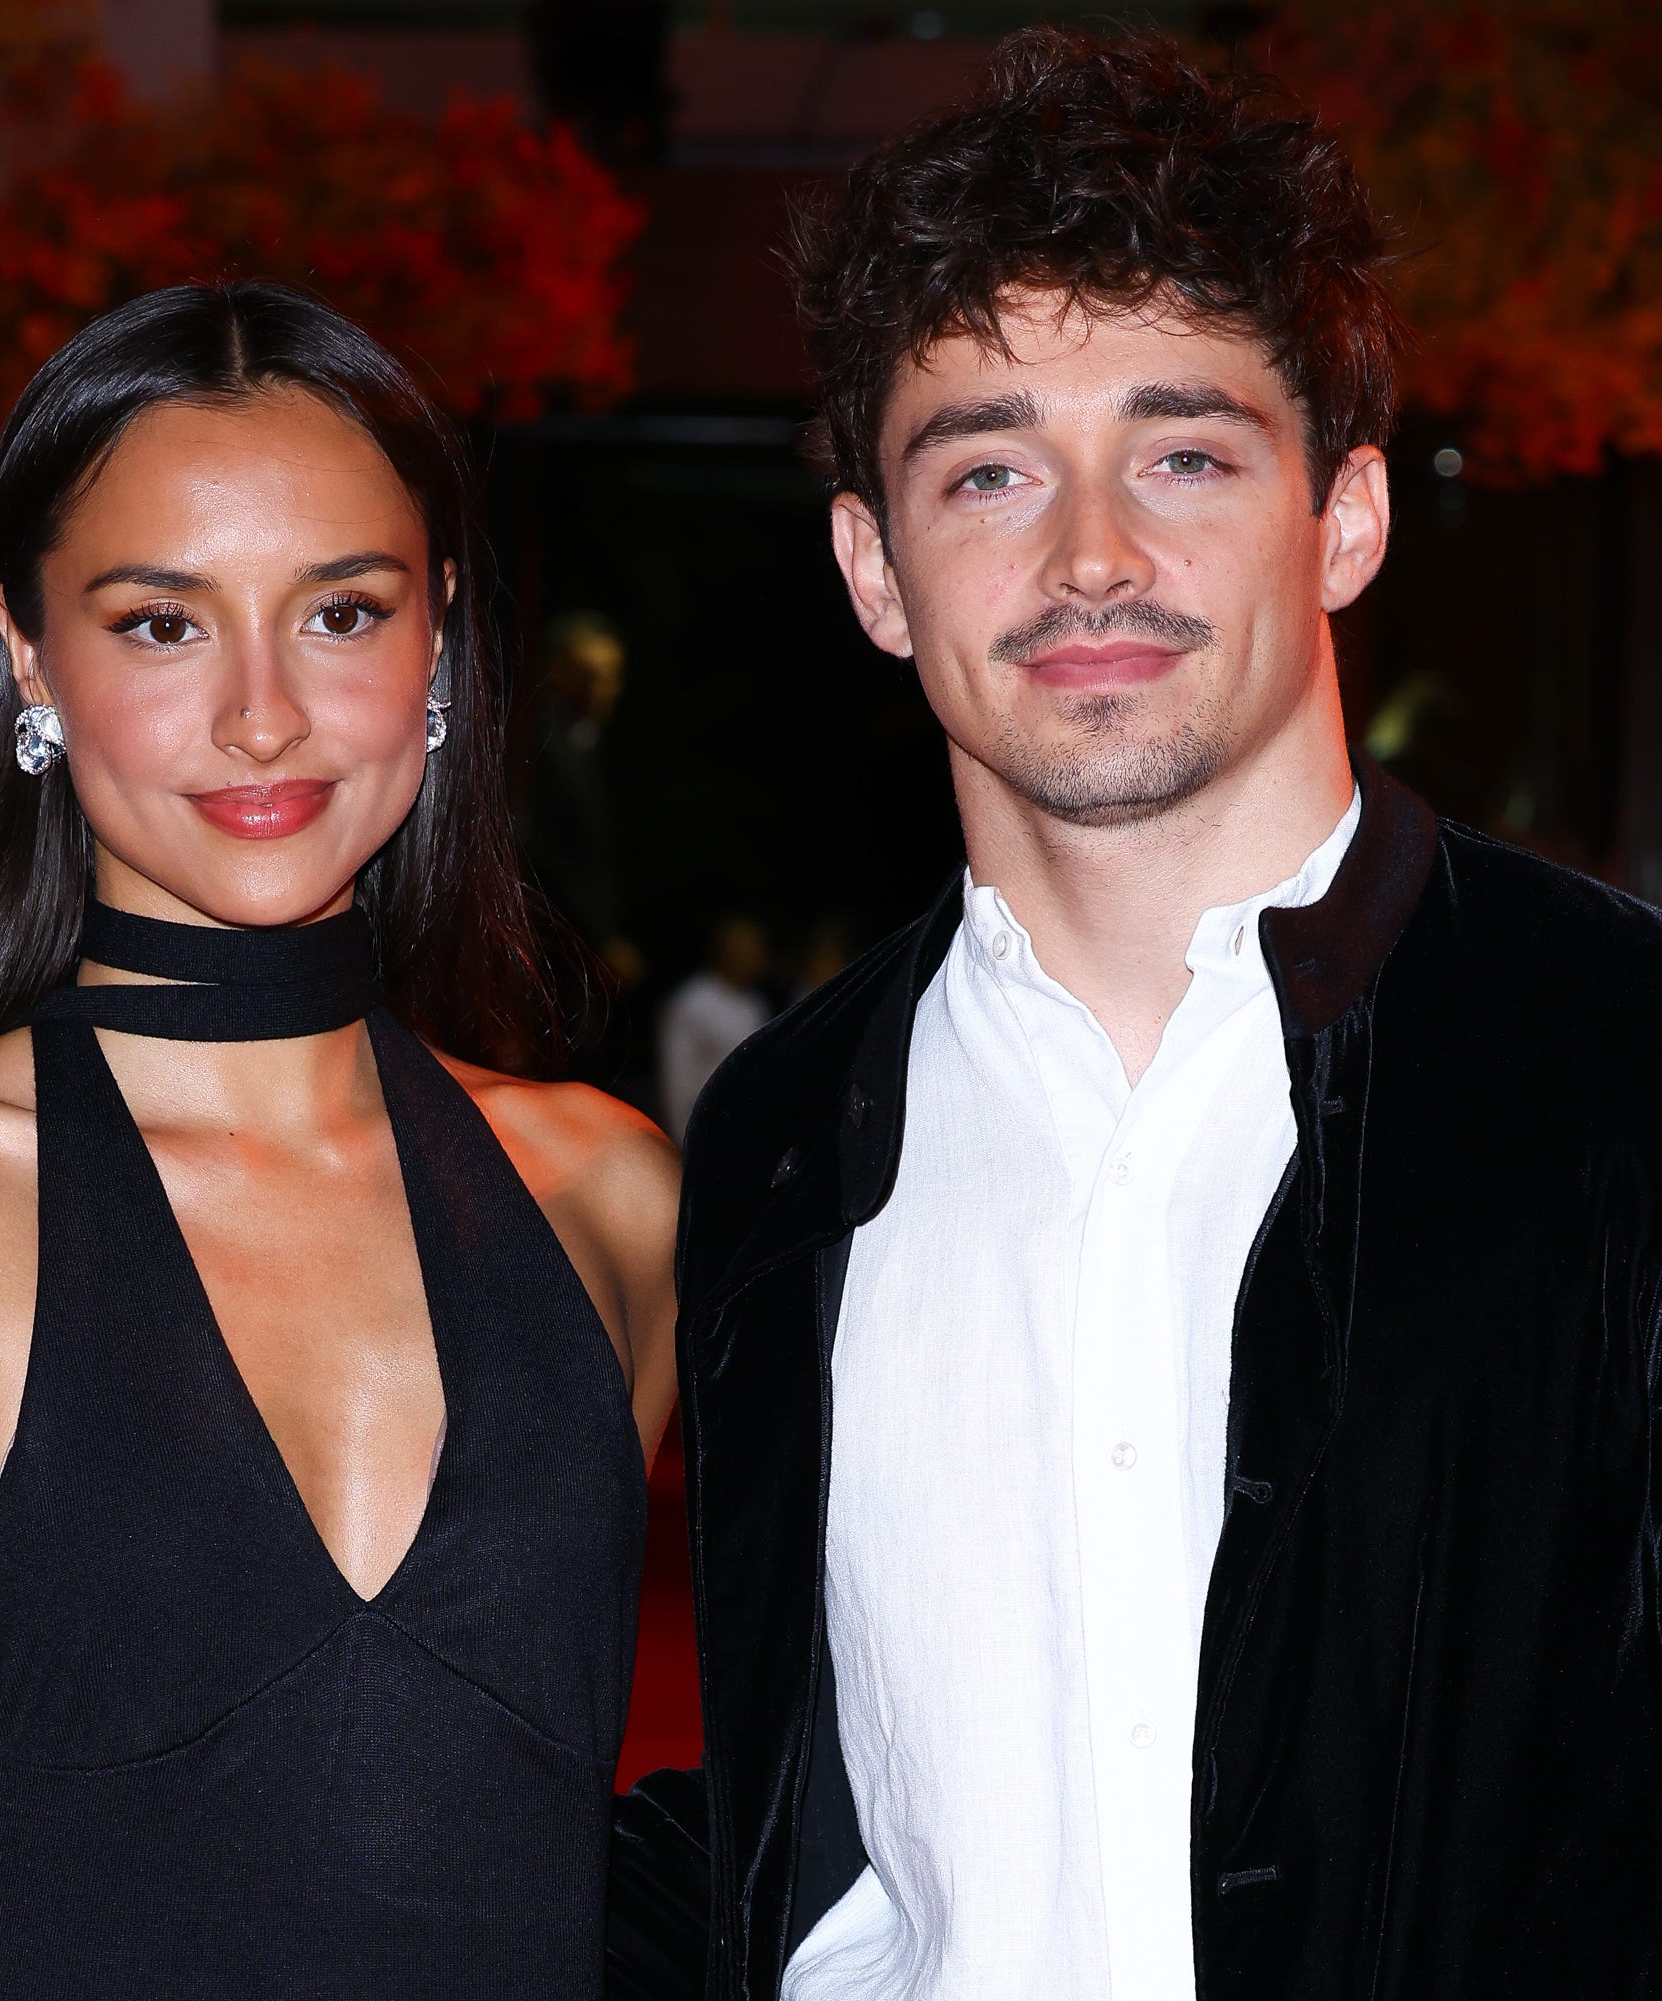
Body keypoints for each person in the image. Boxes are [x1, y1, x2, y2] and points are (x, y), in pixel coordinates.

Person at [607, 27, 1662, 2001]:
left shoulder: (1612, 1061)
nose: (1091, 554)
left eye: (1181, 453)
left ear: (1342, 519)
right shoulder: (784, 1132)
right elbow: (785, 1830)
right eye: (991, 468)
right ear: (874, 567)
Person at [0, 281, 678, 2001]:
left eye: (340, 613)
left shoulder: (611, 1196)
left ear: (438, 637)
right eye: (161, 625)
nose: (264, 715)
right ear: (26, 655)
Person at [525, 609, 644, 991]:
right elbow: (546, 851)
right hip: (550, 944)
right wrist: (600, 940)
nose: (606, 689)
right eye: (590, 675)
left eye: (613, 675)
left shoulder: (594, 741)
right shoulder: (533, 740)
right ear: (557, 668)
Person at [656, 917, 772, 1144]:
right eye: (748, 948)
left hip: (748, 1134)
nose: (757, 956)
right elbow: (676, 1082)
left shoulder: (756, 1003)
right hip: (704, 1136)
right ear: (726, 951)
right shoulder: (691, 1002)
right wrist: (686, 1142)